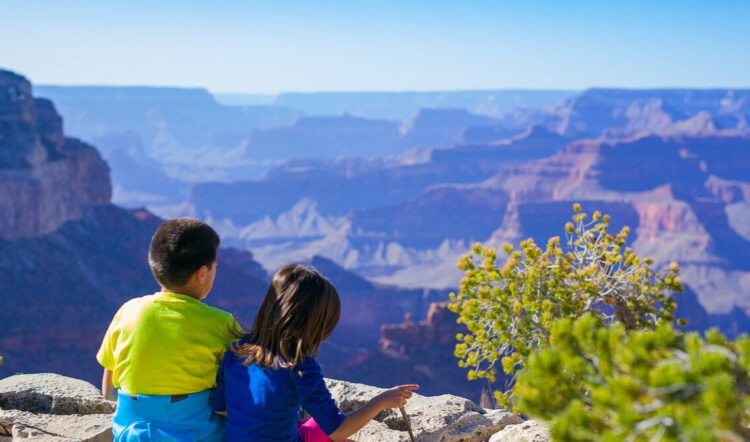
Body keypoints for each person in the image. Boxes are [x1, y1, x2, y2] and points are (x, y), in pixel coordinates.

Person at [211, 263, 418, 442]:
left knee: (310, 425)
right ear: (314, 323)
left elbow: (221, 409)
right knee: (328, 430)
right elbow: (337, 430)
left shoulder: (236, 351)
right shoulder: (299, 366)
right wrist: (381, 401)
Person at [96, 218, 237, 441]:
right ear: (202, 273)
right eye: (215, 266)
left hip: (132, 433)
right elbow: (239, 392)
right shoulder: (222, 323)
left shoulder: (128, 311)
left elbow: (108, 391)